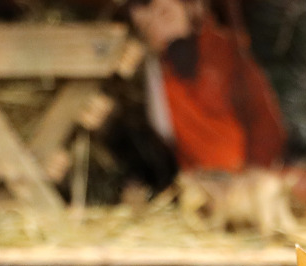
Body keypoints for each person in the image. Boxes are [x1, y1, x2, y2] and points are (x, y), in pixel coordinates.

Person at [123, 0, 287, 173]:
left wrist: (254, 172)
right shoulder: (154, 76)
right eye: (146, 26)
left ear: (193, 8)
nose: (158, 29)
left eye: (166, 14)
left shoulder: (227, 54)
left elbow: (264, 123)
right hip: (195, 179)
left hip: (246, 174)